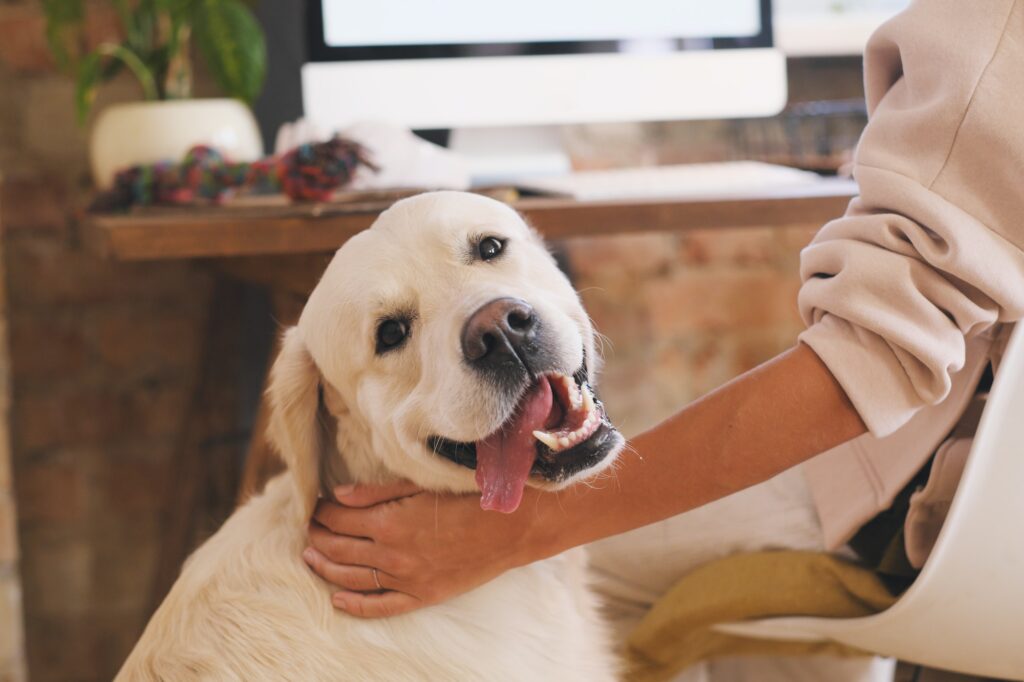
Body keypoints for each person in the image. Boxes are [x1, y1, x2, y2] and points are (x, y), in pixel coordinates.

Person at [302, 1, 1024, 679]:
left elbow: (873, 359)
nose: (498, 320)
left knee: (574, 577)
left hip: (957, 505)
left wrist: (519, 537)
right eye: (394, 331)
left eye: (492, 249)